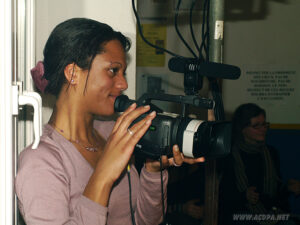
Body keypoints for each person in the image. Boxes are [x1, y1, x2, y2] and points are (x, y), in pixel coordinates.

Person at [15, 18, 204, 225]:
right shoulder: (40, 162)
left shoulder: (112, 132)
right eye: (113, 70)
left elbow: (147, 221)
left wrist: (152, 172)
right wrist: (104, 175)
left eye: (123, 73)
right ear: (73, 73)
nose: (123, 84)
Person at [218, 103, 300, 225]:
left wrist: (288, 188)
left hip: (270, 213)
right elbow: (222, 197)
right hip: (239, 216)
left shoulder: (270, 153)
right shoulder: (229, 155)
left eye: (264, 124)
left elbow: (274, 196)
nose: (263, 129)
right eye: (256, 126)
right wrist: (244, 196)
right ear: (242, 129)